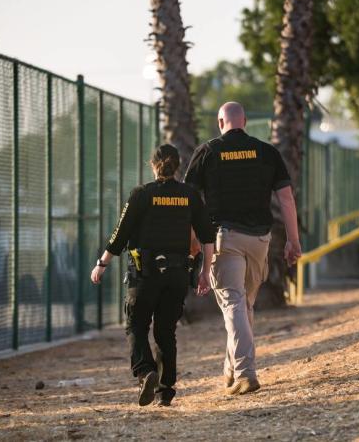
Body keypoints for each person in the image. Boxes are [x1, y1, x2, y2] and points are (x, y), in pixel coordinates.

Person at [184, 102, 301, 395]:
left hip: (225, 239)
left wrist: (192, 242)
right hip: (260, 240)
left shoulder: (207, 152)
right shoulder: (267, 152)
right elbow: (287, 199)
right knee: (244, 305)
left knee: (234, 303)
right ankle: (230, 371)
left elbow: (190, 200)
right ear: (245, 121)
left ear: (220, 122)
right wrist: (293, 240)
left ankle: (246, 372)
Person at [90, 144, 215, 407]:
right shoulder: (190, 195)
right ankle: (165, 390)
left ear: (152, 164)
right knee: (166, 331)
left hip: (144, 275)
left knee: (136, 326)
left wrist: (101, 264)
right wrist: (205, 272)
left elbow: (119, 234)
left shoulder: (141, 194)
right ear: (178, 166)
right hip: (178, 274)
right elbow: (207, 237)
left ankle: (146, 371)